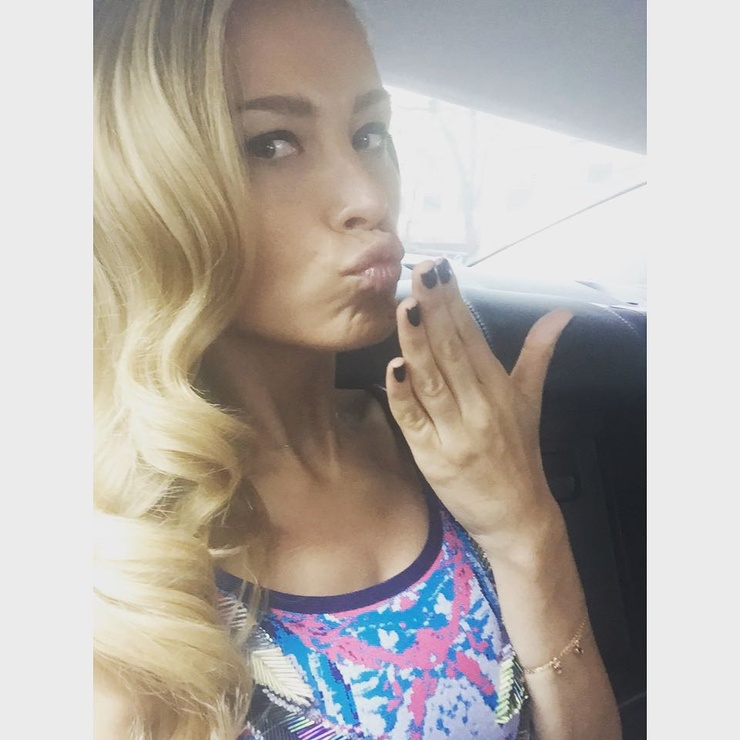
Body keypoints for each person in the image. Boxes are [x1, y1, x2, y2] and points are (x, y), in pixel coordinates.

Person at [93, 0, 622, 738]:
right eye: (271, 143)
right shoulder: (118, 573)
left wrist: (527, 529)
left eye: (370, 134)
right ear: (143, 194)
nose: (369, 200)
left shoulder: (450, 453)